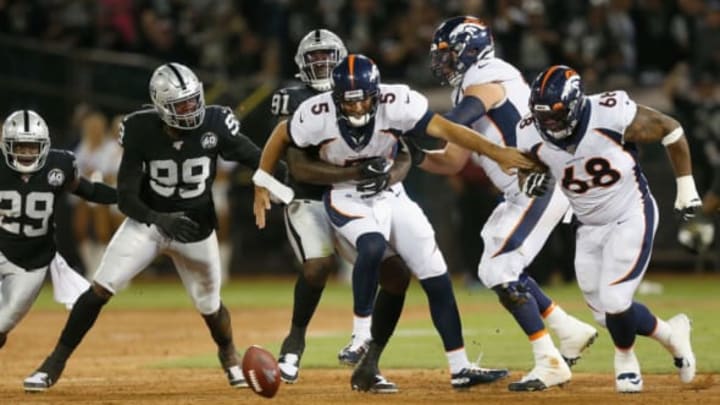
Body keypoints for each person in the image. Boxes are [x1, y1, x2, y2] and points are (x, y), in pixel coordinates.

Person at [280, 54, 539, 392]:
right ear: (335, 98)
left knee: (436, 275)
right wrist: (265, 178)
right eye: (349, 102)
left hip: (393, 197)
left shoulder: (398, 102)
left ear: (377, 94)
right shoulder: (317, 114)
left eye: (363, 101)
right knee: (372, 246)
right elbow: (287, 148)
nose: (357, 110)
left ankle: (460, 368)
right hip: (345, 196)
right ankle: (359, 336)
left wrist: (497, 152)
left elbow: (448, 131)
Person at [23, 62, 283, 392]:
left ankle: (228, 354)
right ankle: (53, 364)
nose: (191, 110)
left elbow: (256, 156)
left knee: (210, 305)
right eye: (181, 105)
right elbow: (127, 198)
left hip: (195, 227)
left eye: (193, 100)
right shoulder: (140, 129)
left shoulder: (215, 123)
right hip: (149, 222)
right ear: (161, 106)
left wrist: (285, 185)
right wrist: (160, 219)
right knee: (100, 287)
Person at [414, 16, 599, 391]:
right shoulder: (470, 85)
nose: (442, 62)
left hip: (538, 183)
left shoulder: (488, 76)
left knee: (499, 269)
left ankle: (549, 361)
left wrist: (406, 123)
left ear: (470, 49)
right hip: (523, 189)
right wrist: (409, 154)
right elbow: (450, 159)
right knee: (496, 267)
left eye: (448, 54)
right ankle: (567, 329)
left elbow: (455, 120)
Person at [517, 64, 698, 393]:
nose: (549, 124)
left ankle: (626, 361)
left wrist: (686, 189)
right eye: (543, 117)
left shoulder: (610, 113)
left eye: (556, 116)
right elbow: (527, 168)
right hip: (587, 225)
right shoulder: (529, 131)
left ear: (575, 105)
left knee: (615, 301)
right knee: (606, 314)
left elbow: (670, 129)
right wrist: (527, 180)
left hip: (630, 213)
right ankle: (672, 335)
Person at [257, 29, 413, 384]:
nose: (322, 63)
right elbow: (296, 164)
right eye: (314, 58)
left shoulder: (369, 94)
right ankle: (294, 343)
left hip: (355, 197)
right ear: (301, 64)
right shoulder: (293, 98)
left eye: (329, 56)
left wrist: (387, 176)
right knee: (318, 266)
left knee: (396, 275)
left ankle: (369, 363)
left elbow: (403, 151)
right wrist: (360, 169)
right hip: (310, 196)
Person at [0, 110, 117, 350]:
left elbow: (90, 191)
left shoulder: (58, 166)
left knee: (4, 322)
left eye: (32, 147)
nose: (25, 153)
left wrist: (124, 197)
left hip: (32, 261)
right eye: (19, 146)